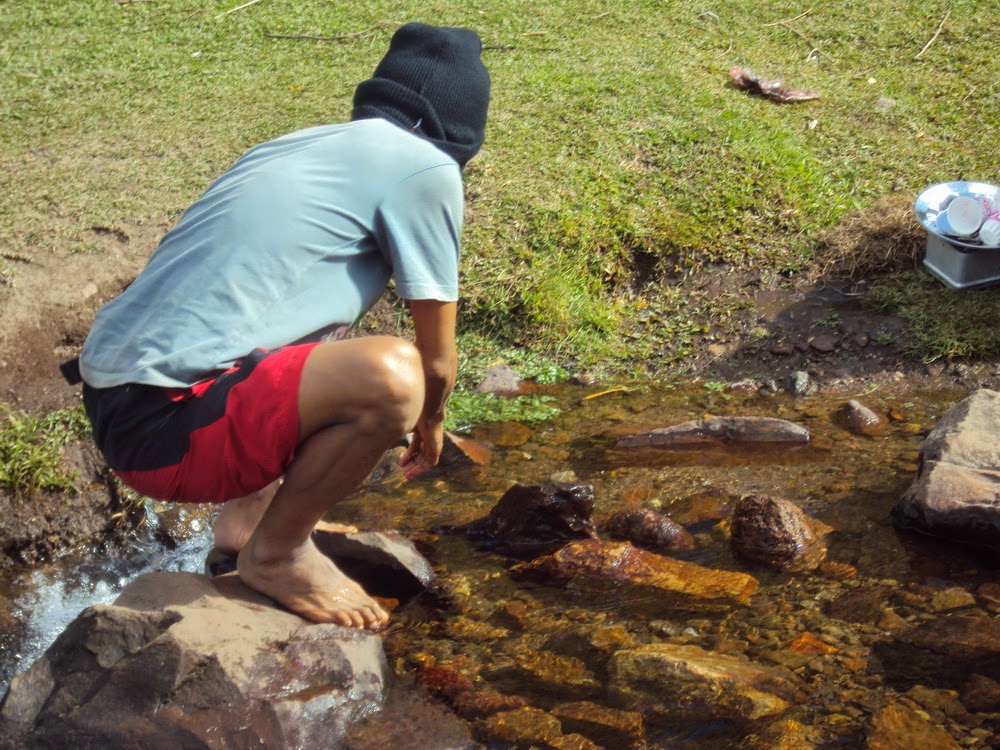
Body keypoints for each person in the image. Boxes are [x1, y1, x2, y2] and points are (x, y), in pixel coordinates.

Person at [73, 22, 491, 631]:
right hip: (172, 432)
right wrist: (429, 419)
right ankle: (277, 553)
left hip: (123, 409)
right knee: (393, 376)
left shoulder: (296, 145)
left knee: (314, 340)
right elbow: (435, 359)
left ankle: (247, 528)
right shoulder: (425, 169)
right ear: (463, 128)